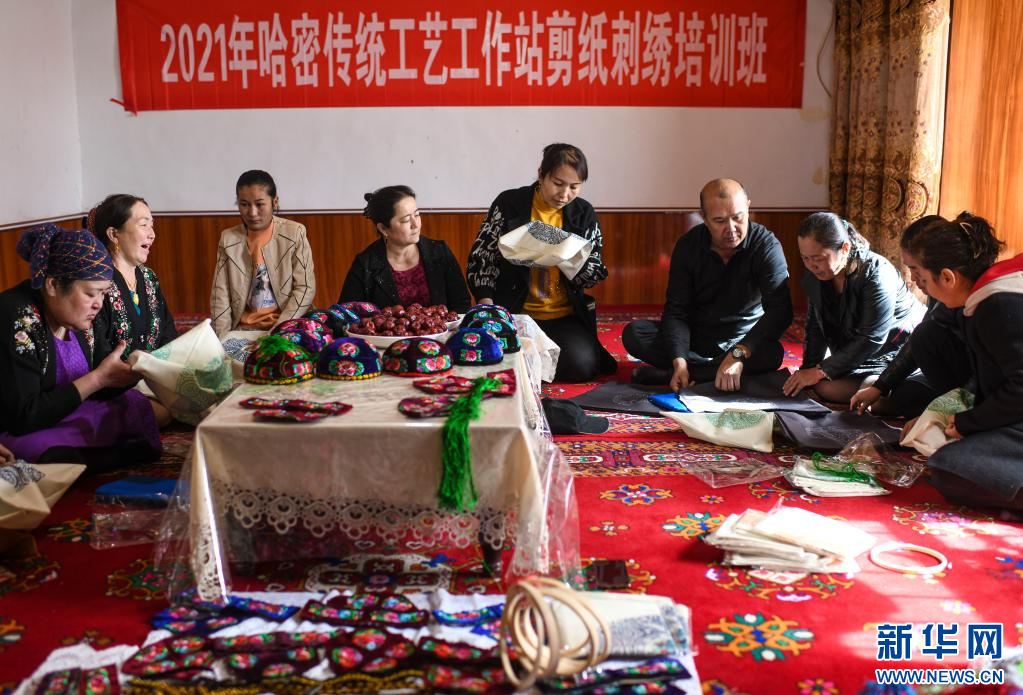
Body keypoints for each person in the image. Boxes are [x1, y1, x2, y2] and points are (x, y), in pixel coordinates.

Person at [0, 224, 162, 466]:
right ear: (52, 285)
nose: (98, 304)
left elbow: (102, 386)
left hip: (68, 414)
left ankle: (90, 459)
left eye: (103, 294)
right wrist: (97, 379)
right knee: (35, 448)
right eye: (90, 294)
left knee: (134, 404)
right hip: (24, 425)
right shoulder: (18, 317)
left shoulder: (83, 316)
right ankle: (104, 457)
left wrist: (127, 373)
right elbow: (24, 415)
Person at [899, 212, 1023, 511]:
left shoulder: (998, 305)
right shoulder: (982, 297)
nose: (919, 284)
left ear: (947, 277)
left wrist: (970, 423)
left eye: (921, 277)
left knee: (949, 467)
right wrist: (954, 416)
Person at [623, 178, 792, 392]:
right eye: (720, 221)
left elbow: (780, 310)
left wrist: (738, 353)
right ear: (703, 217)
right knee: (635, 333)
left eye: (738, 218)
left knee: (772, 354)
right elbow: (677, 311)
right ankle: (701, 372)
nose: (731, 229)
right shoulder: (688, 246)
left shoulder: (766, 246)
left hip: (742, 339)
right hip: (698, 336)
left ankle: (685, 375)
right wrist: (679, 360)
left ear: (748, 207)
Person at [466, 143, 616, 382]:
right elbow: (483, 256)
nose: (564, 194)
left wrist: (568, 256)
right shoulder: (509, 203)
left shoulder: (583, 213)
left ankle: (529, 361)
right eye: (557, 183)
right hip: (514, 313)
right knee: (492, 359)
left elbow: (593, 273)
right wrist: (488, 309)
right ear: (541, 175)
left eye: (574, 187)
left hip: (562, 316)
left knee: (582, 367)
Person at [782, 212, 925, 402]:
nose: (811, 265)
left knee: (856, 392)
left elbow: (872, 338)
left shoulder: (877, 273)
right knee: (821, 385)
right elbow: (815, 327)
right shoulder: (817, 274)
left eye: (818, 258)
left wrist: (820, 371)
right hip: (857, 351)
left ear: (845, 248)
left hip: (896, 351)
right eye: (805, 258)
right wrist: (808, 370)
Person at [850, 215, 971, 416]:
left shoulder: (981, 303)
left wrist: (949, 414)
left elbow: (988, 379)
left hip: (978, 393)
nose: (913, 278)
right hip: (953, 380)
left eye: (915, 269)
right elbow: (917, 344)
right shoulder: (942, 292)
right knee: (901, 394)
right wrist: (880, 386)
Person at [210, 170, 316, 337]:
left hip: (288, 326)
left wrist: (279, 330)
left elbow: (305, 288)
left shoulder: (294, 233)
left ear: (275, 202)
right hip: (244, 329)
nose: (252, 213)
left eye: (259, 204)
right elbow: (220, 295)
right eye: (244, 204)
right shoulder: (228, 239)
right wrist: (222, 339)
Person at [339, 185, 471, 312]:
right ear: (383, 228)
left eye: (417, 215)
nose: (415, 224)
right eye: (406, 220)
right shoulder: (366, 264)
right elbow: (347, 314)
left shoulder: (439, 252)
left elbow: (461, 304)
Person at [89, 194, 178, 361]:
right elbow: (97, 350)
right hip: (117, 376)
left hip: (156, 373)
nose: (152, 234)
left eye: (152, 225)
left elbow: (168, 332)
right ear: (114, 235)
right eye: (144, 225)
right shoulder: (98, 283)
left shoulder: (149, 277)